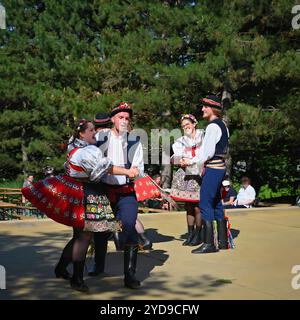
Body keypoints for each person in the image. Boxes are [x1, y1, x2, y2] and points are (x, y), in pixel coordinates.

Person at [22, 119, 139, 292]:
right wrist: (128, 171)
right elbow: (104, 167)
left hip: (80, 191)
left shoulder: (75, 147)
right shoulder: (87, 151)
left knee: (81, 236)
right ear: (82, 134)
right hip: (87, 193)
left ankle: (62, 268)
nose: (94, 133)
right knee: (84, 237)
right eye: (91, 130)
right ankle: (76, 278)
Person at [95, 101, 144, 289]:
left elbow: (137, 170)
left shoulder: (134, 141)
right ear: (113, 119)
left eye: (127, 118)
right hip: (104, 192)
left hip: (126, 193)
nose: (124, 121)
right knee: (100, 229)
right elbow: (97, 166)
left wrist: (133, 172)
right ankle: (98, 266)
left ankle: (129, 275)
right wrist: (123, 171)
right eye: (121, 117)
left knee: (129, 226)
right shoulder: (101, 137)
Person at [181, 95, 229, 254]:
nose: (202, 109)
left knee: (205, 203)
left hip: (213, 168)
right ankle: (222, 241)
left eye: (205, 107)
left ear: (212, 108)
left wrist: (192, 161)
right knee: (216, 202)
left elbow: (207, 152)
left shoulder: (212, 127)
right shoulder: (223, 125)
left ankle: (209, 244)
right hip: (220, 168)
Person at [171, 114, 204, 246]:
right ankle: (190, 234)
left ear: (194, 123)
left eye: (187, 124)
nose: (185, 127)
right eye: (183, 126)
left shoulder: (203, 137)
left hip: (198, 174)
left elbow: (203, 154)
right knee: (189, 206)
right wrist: (181, 160)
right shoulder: (180, 141)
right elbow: (177, 156)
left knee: (197, 206)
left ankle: (198, 234)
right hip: (185, 175)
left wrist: (190, 160)